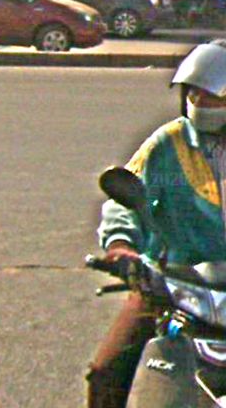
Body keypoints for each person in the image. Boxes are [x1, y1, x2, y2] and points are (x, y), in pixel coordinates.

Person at [87, 38, 226, 407]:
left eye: (212, 96)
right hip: (171, 286)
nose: (200, 102)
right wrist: (121, 246)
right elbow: (128, 198)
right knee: (106, 371)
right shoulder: (169, 143)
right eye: (193, 93)